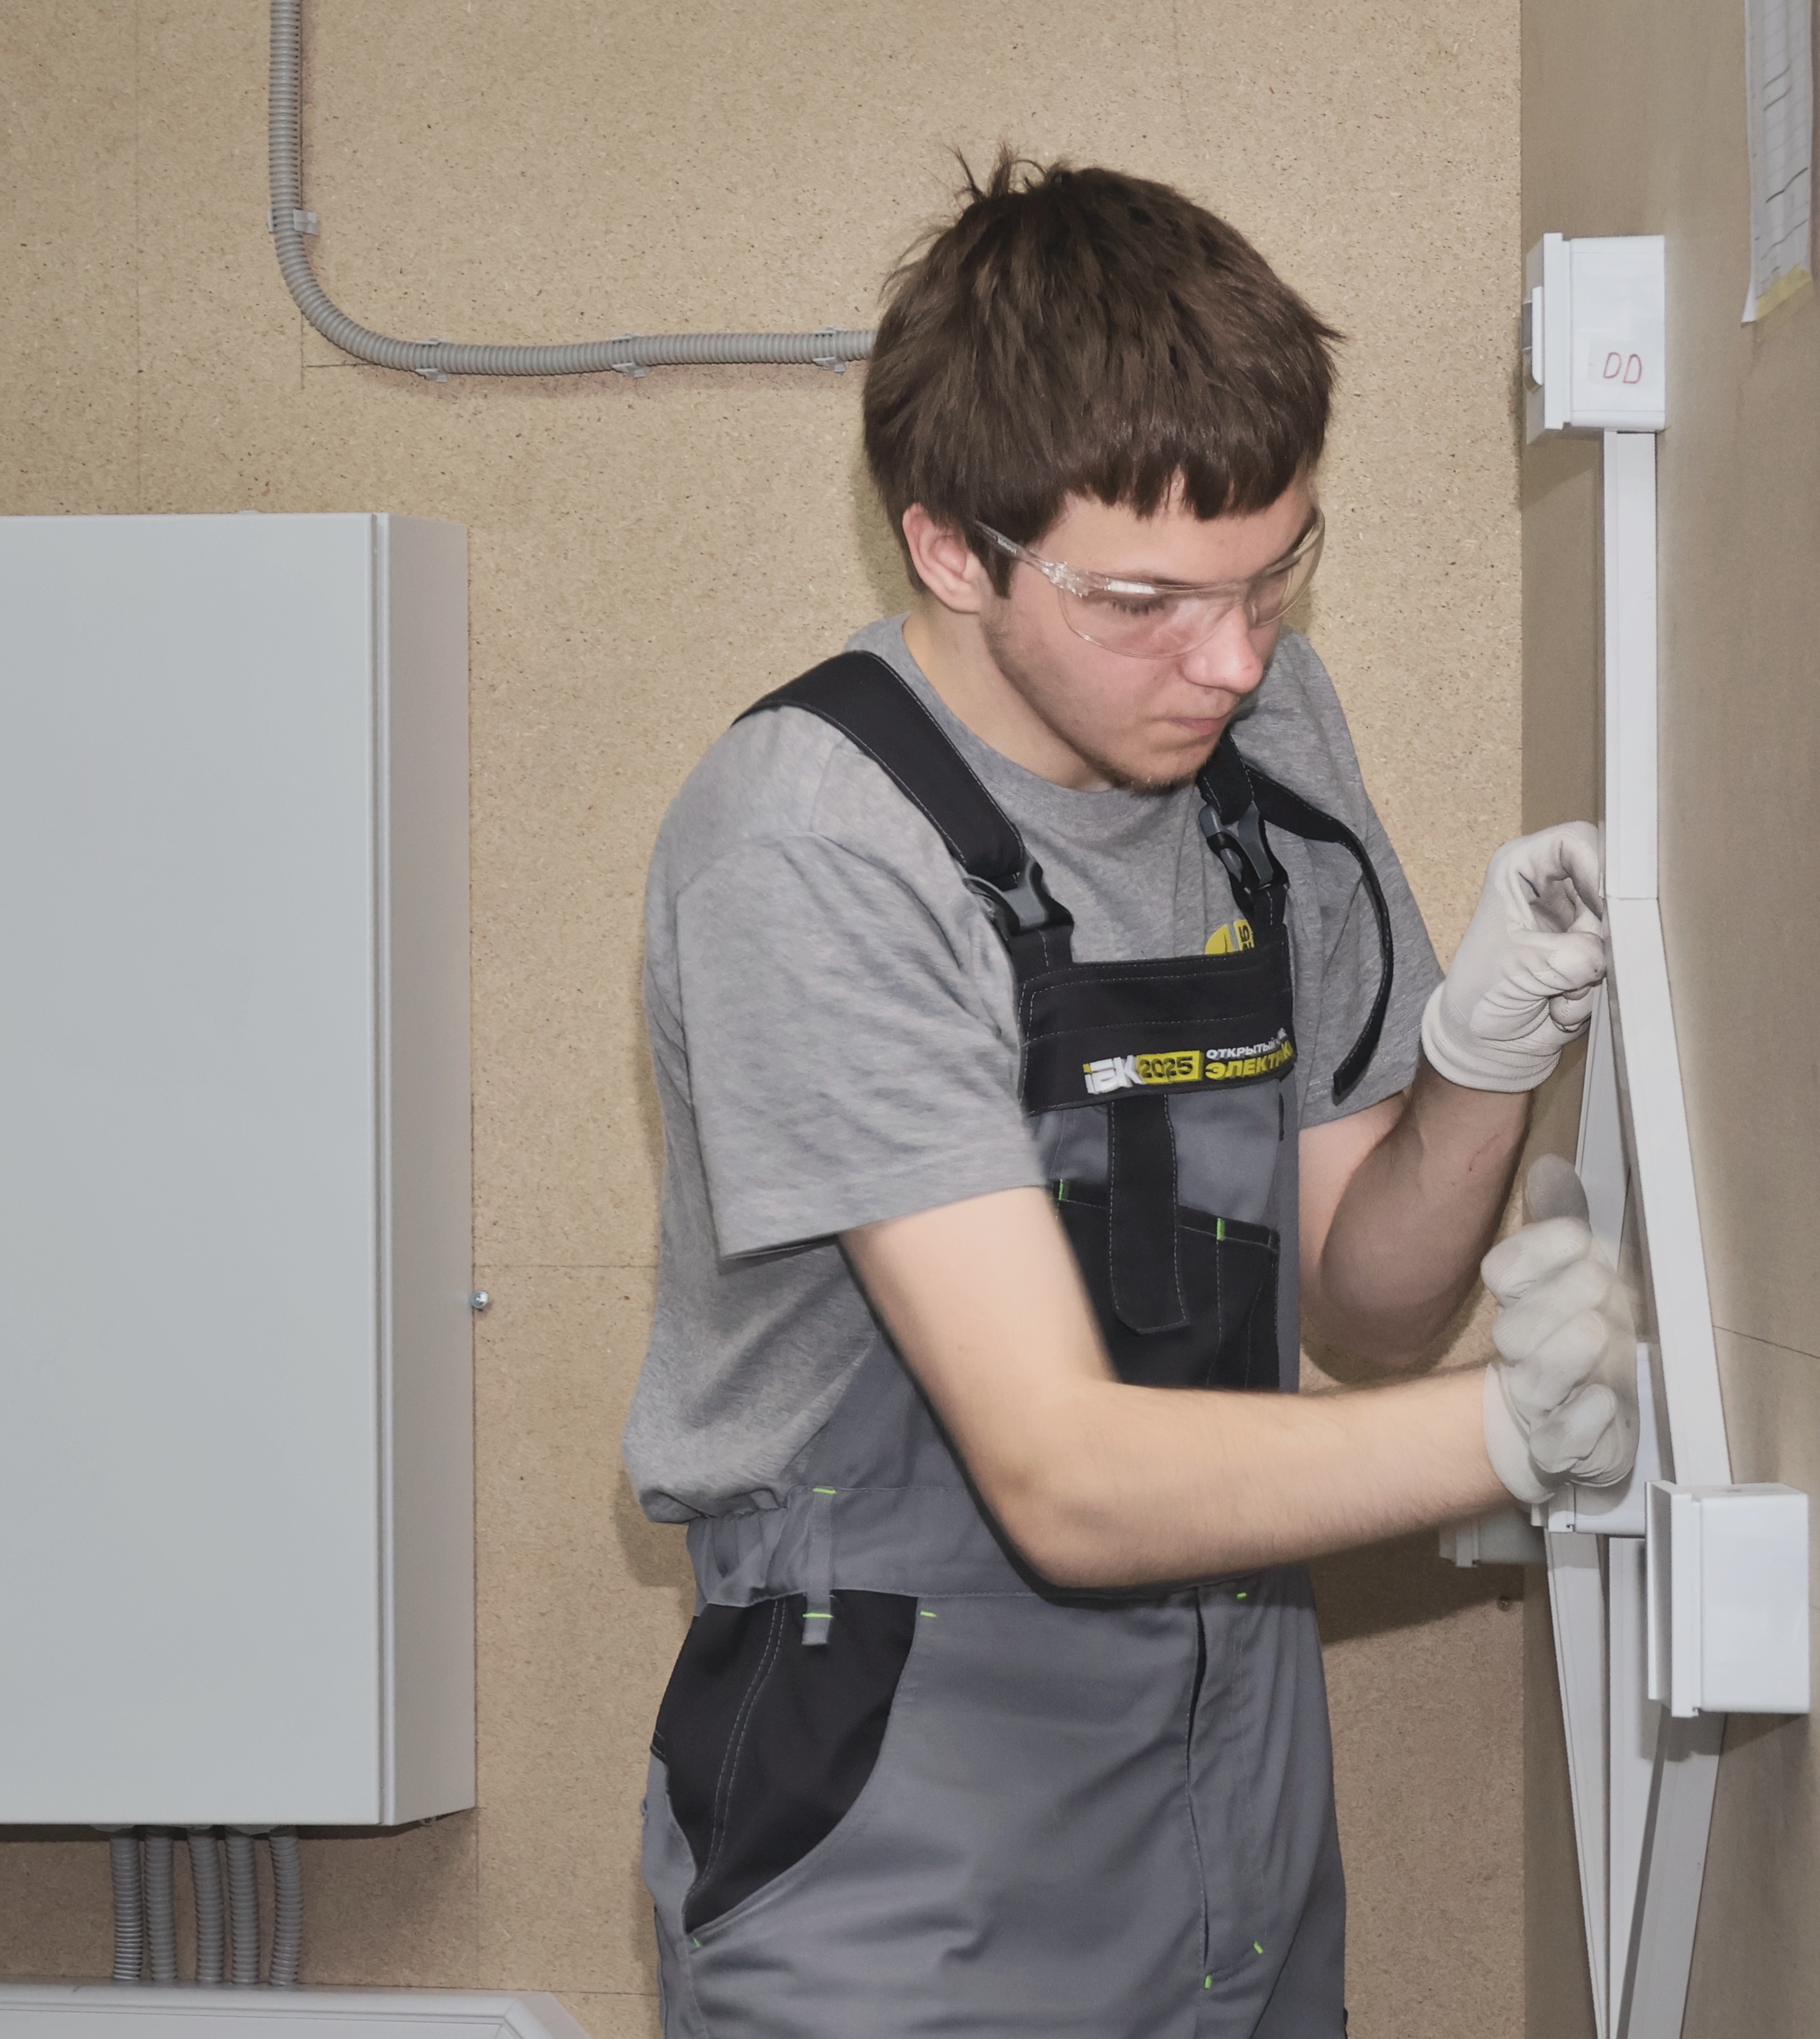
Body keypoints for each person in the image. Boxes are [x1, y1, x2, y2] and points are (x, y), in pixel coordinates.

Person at [624, 154, 1638, 2038]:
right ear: (950, 550)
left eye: (1273, 575)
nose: (1231, 659)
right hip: (898, 1841)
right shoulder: (810, 843)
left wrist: (1480, 1062)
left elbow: (1367, 1292)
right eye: (1148, 601)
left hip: (1230, 1810)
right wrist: (1521, 1435)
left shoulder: (1266, 738)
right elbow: (1066, 1476)